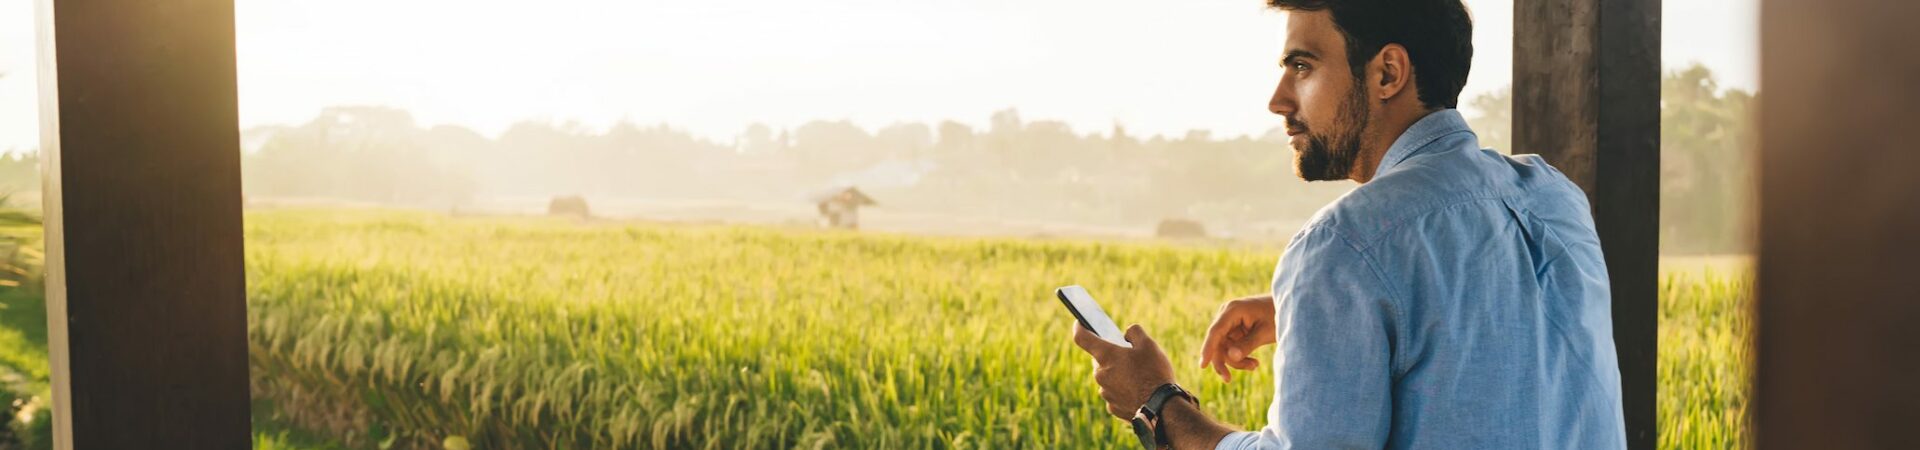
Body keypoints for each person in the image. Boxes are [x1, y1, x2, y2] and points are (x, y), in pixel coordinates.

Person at [1069, 0, 1627, 448]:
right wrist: (1327, 310)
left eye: (1303, 66)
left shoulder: (1342, 246)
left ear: (1387, 72)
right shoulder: (1554, 196)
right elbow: (1500, 347)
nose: (1278, 99)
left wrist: (1155, 401)